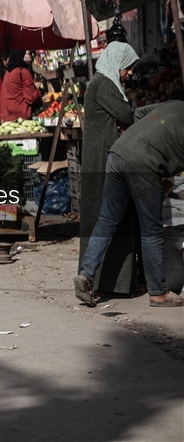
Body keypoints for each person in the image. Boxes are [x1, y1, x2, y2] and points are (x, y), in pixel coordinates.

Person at [75, 100, 184, 307]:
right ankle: (158, 293)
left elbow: (138, 113)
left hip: (118, 152)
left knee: (106, 220)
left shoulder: (176, 104)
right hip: (144, 163)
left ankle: (86, 275)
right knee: (151, 229)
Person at [80, 41, 140, 296]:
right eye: (128, 67)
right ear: (118, 63)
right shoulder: (104, 84)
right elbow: (126, 114)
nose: (129, 73)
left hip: (102, 158)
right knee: (107, 219)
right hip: (102, 161)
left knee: (112, 219)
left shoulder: (102, 83)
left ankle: (111, 283)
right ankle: (99, 281)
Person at [0, 50, 42, 122]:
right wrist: (38, 91)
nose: (31, 56)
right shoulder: (23, 72)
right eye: (28, 53)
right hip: (21, 116)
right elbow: (31, 97)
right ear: (20, 56)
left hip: (7, 115)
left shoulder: (8, 73)